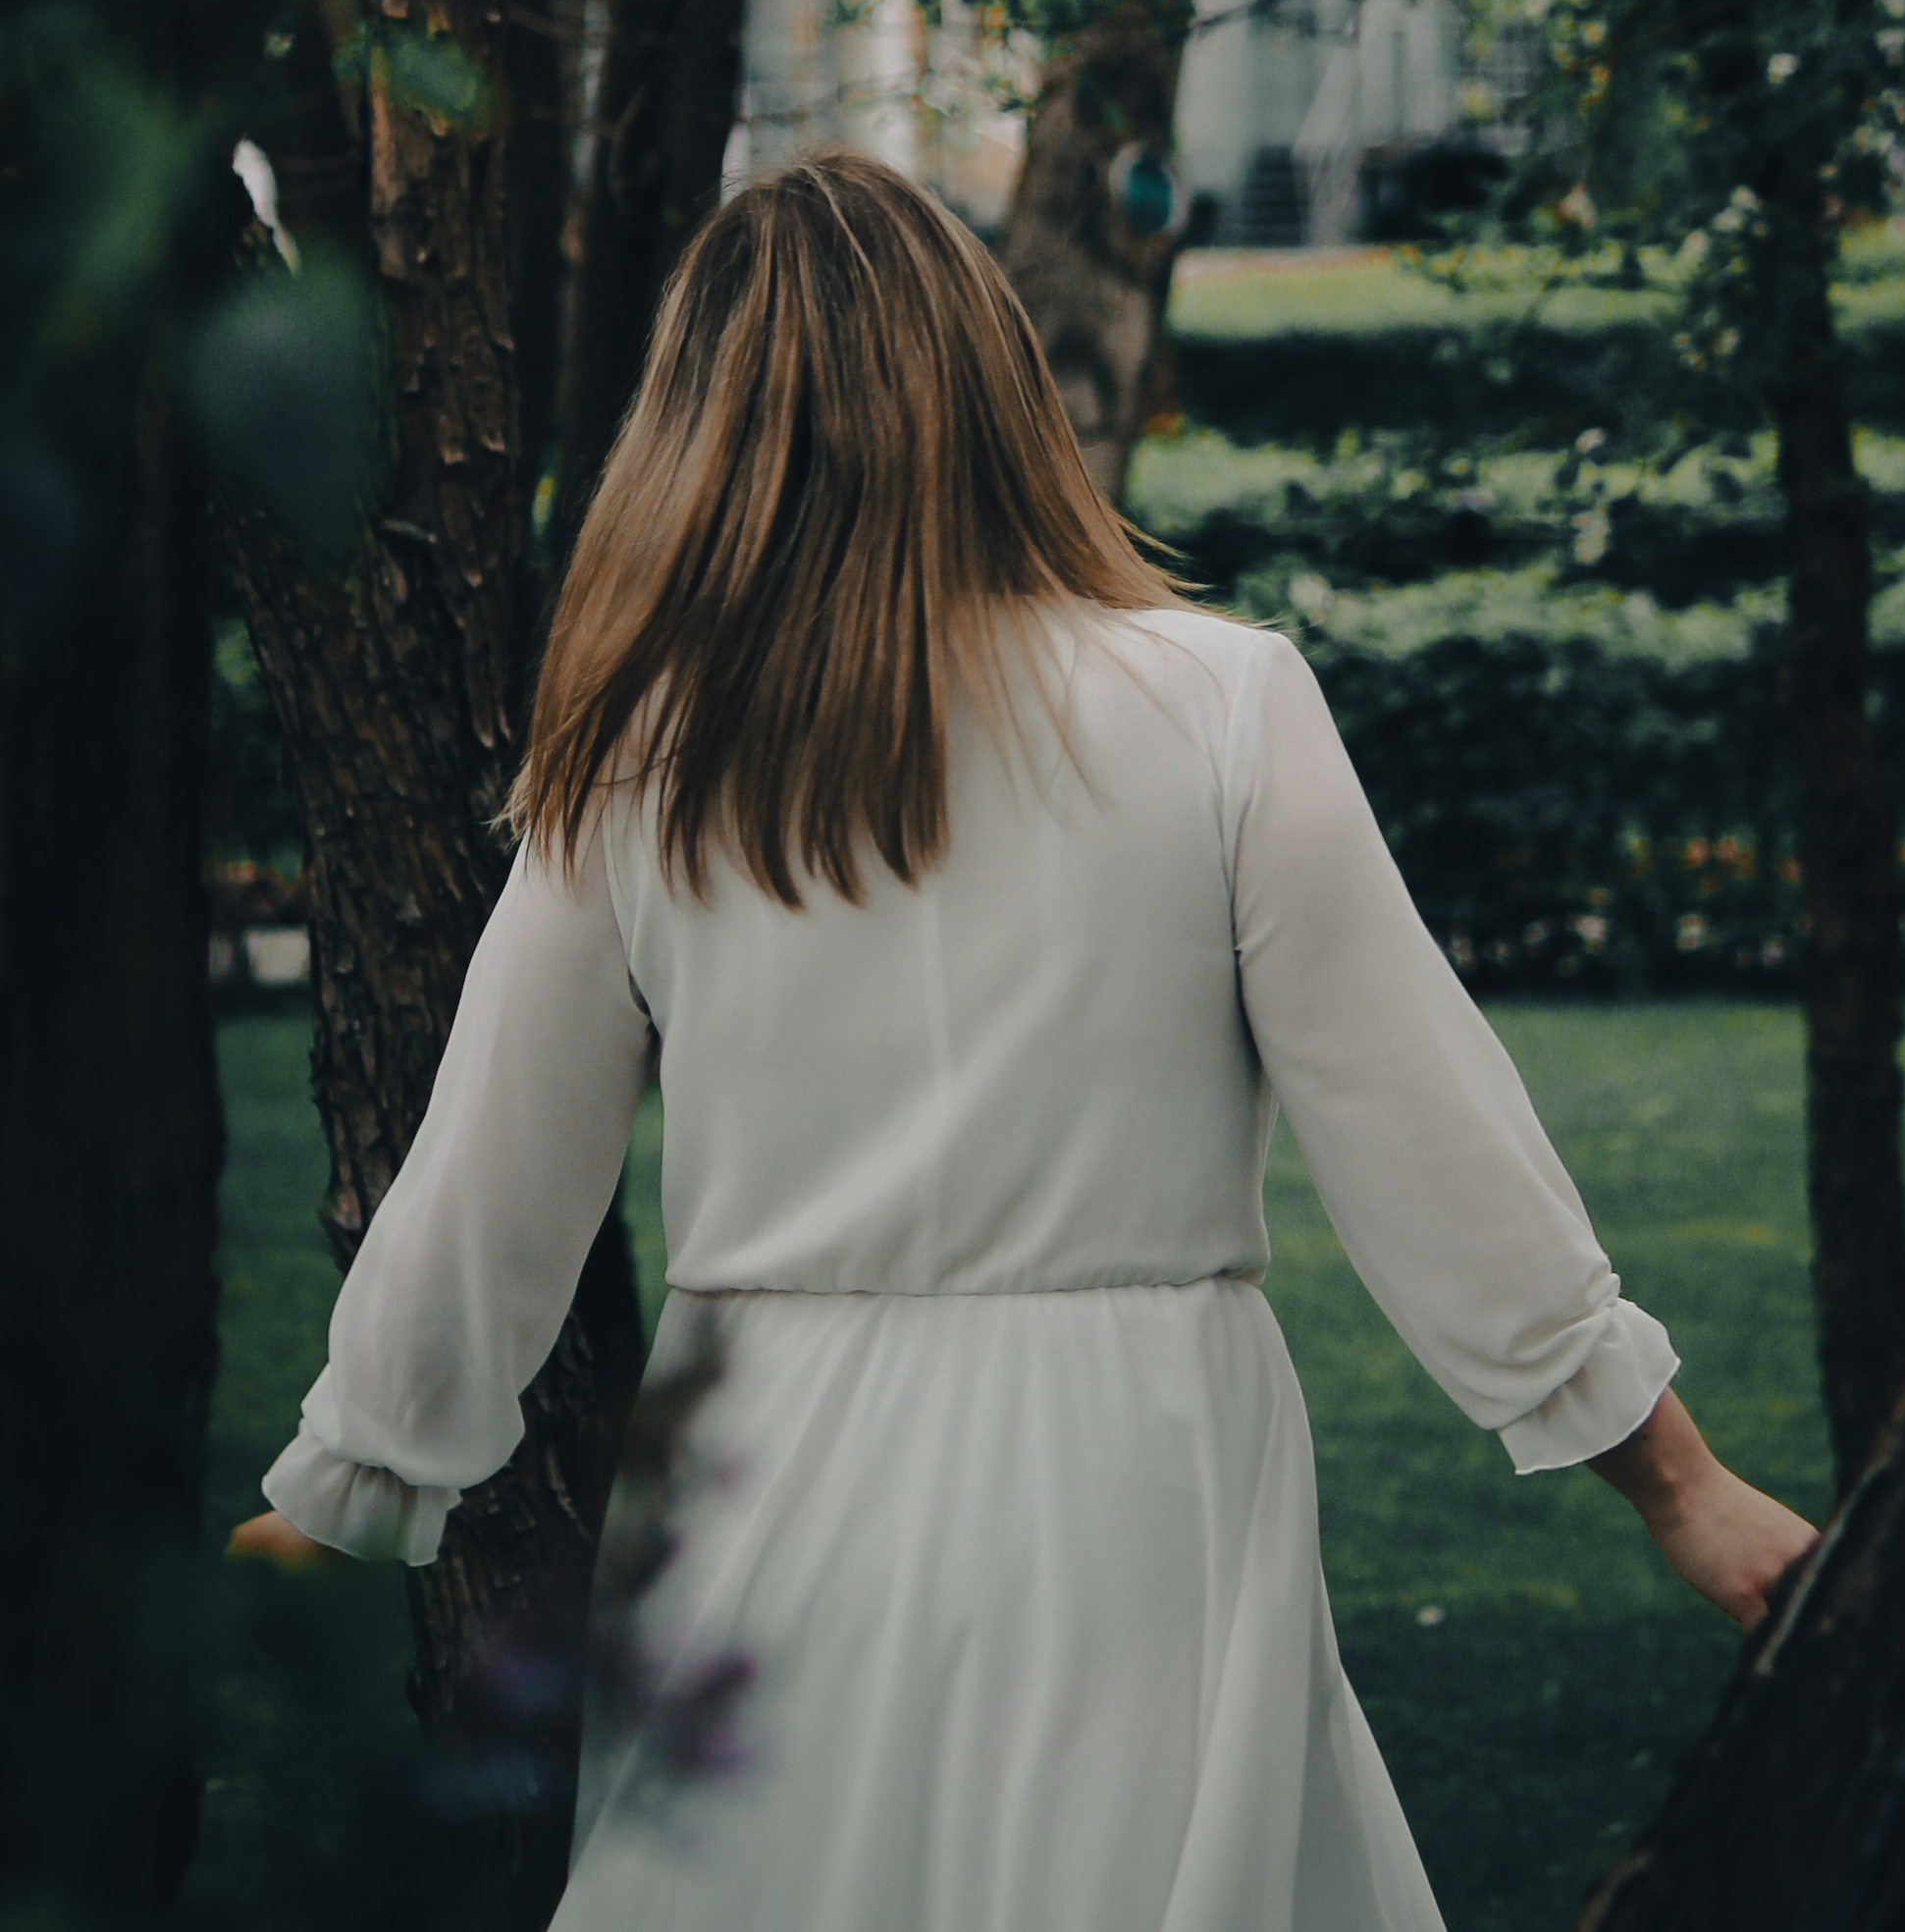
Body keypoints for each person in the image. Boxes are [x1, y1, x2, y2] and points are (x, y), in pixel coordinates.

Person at [236, 153, 1815, 1928]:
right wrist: (1672, 1484)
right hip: (1134, 1462)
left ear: (692, 427)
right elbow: (1425, 1127)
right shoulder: (1218, 704)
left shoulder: (639, 759)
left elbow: (488, 1186)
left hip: (763, 1469)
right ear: (988, 387)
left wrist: (345, 1485)